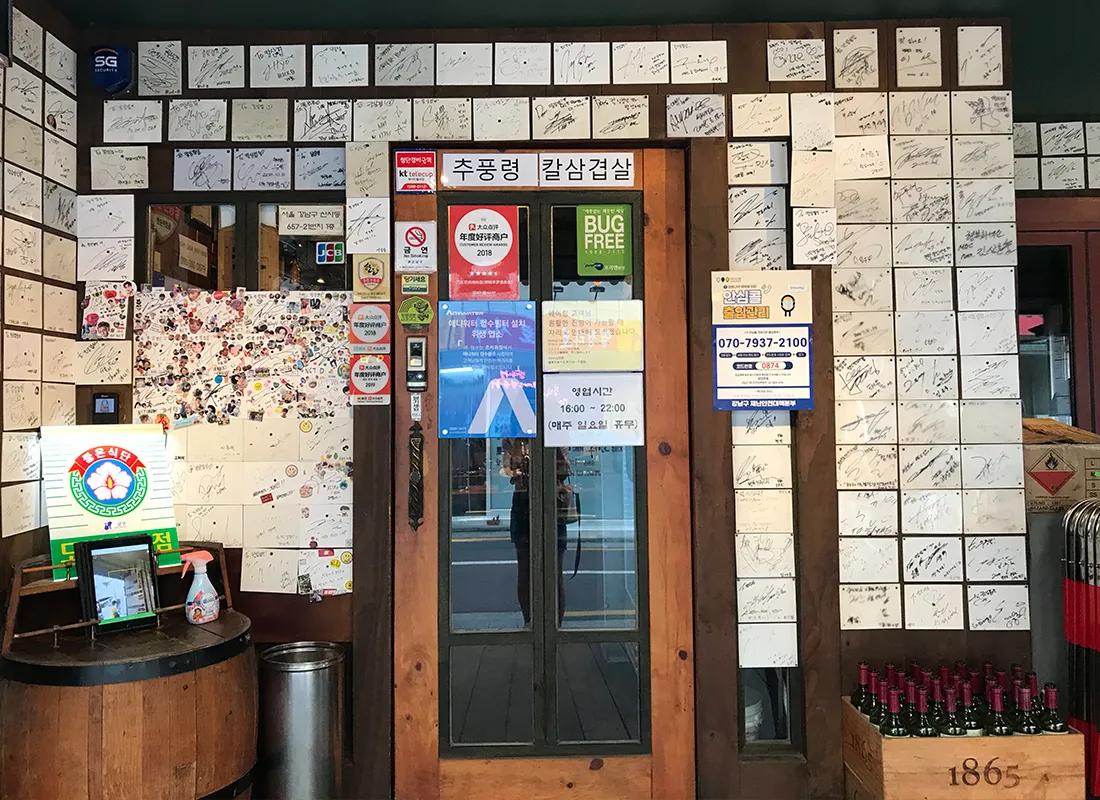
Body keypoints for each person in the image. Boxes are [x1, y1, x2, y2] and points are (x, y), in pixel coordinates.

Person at [501, 439, 572, 626]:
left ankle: (555, 625)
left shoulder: (554, 431)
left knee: (554, 570)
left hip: (552, 501)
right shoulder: (513, 438)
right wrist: (517, 452)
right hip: (523, 502)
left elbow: (565, 469)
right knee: (525, 569)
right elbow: (507, 468)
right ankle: (530, 623)